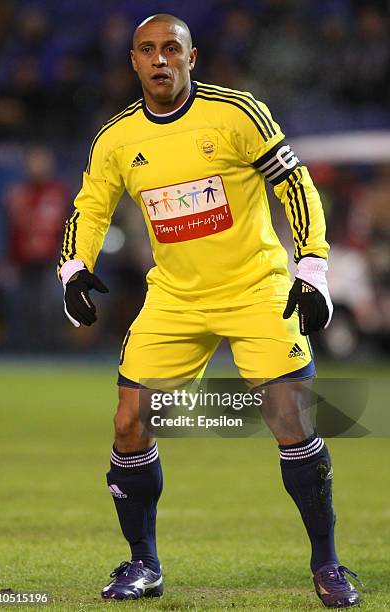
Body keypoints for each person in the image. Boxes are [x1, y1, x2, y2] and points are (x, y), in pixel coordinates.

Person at [57, 14, 360, 607]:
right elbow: (90, 207)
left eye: (172, 49)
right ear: (134, 62)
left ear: (192, 58)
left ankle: (327, 564)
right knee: (128, 422)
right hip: (175, 296)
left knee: (291, 420)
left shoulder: (237, 113)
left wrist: (312, 268)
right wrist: (73, 269)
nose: (160, 60)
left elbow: (294, 184)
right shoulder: (116, 138)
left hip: (255, 289)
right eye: (148, 50)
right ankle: (144, 564)